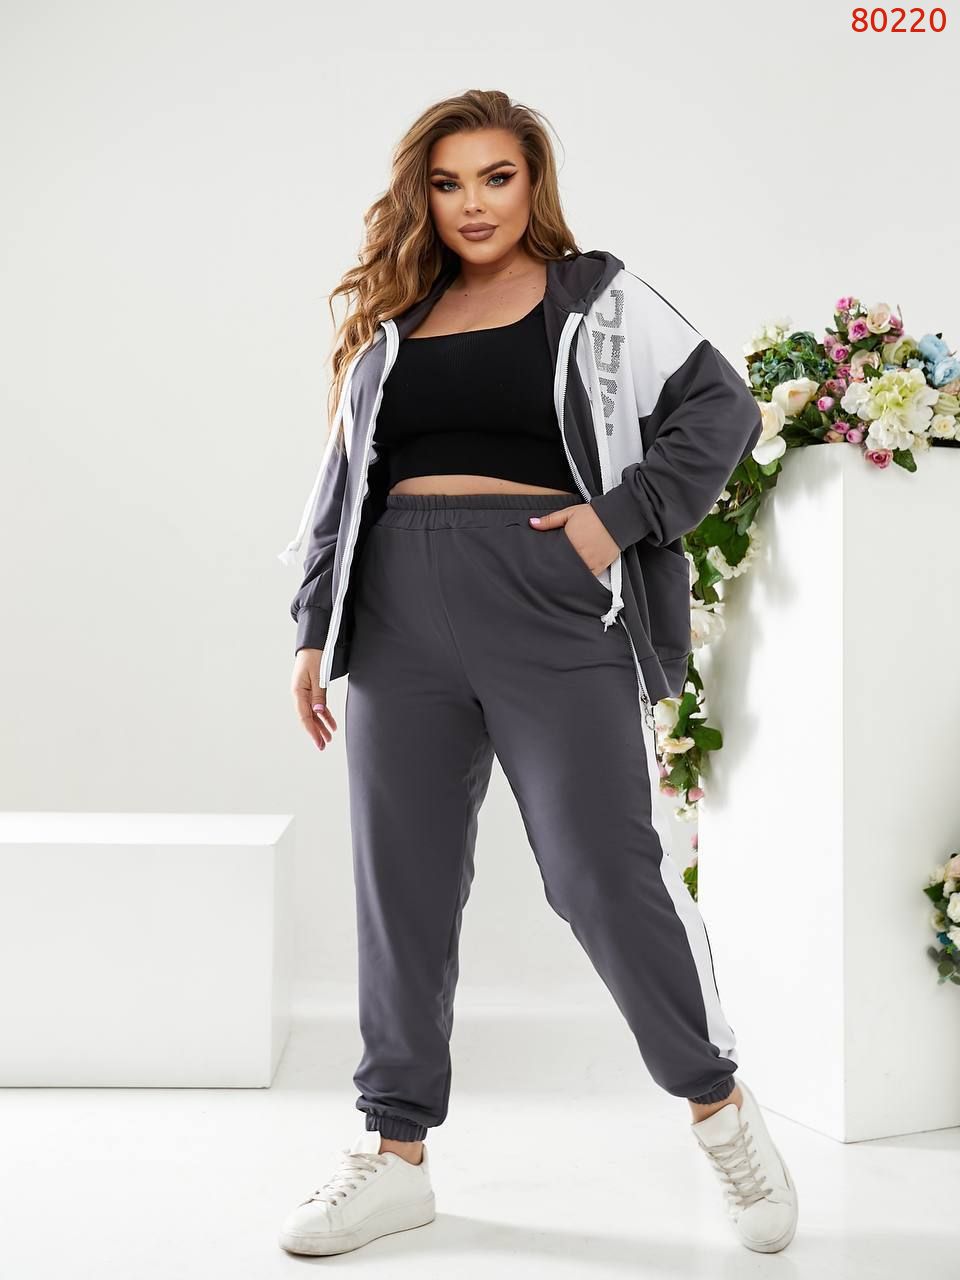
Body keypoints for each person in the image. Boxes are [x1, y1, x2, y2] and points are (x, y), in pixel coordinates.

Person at [276, 89, 798, 1258]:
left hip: (551, 600)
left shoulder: (600, 299)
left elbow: (721, 405)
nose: (474, 203)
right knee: (401, 885)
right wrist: (315, 628)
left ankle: (719, 1110)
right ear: (422, 195)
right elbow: (342, 488)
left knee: (599, 871)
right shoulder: (393, 324)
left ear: (533, 183)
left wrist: (620, 518)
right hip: (397, 614)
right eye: (449, 182)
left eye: (496, 177)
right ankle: (394, 1152)